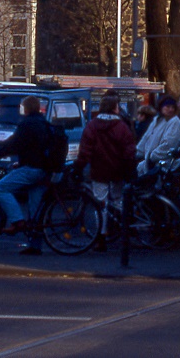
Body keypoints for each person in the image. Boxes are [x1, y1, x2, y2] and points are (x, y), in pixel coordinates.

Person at [0, 95, 54, 254]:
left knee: (0, 188)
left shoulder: (27, 124)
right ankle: (35, 245)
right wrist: (21, 162)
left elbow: (14, 142)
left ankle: (17, 221)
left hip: (32, 169)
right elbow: (36, 148)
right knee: (35, 209)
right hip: (43, 169)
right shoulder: (43, 122)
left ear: (25, 108)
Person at [74, 93, 136, 252]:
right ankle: (126, 229)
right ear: (115, 108)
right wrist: (130, 168)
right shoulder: (122, 127)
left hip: (99, 169)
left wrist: (78, 167)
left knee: (100, 204)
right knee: (118, 200)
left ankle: (101, 237)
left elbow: (85, 150)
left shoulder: (92, 125)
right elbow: (129, 150)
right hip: (118, 169)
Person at [136, 96, 180, 178]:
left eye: (172, 107)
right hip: (151, 164)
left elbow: (169, 144)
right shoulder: (157, 120)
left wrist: (153, 156)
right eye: (168, 107)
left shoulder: (174, 122)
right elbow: (146, 138)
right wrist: (136, 153)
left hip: (163, 166)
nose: (170, 109)